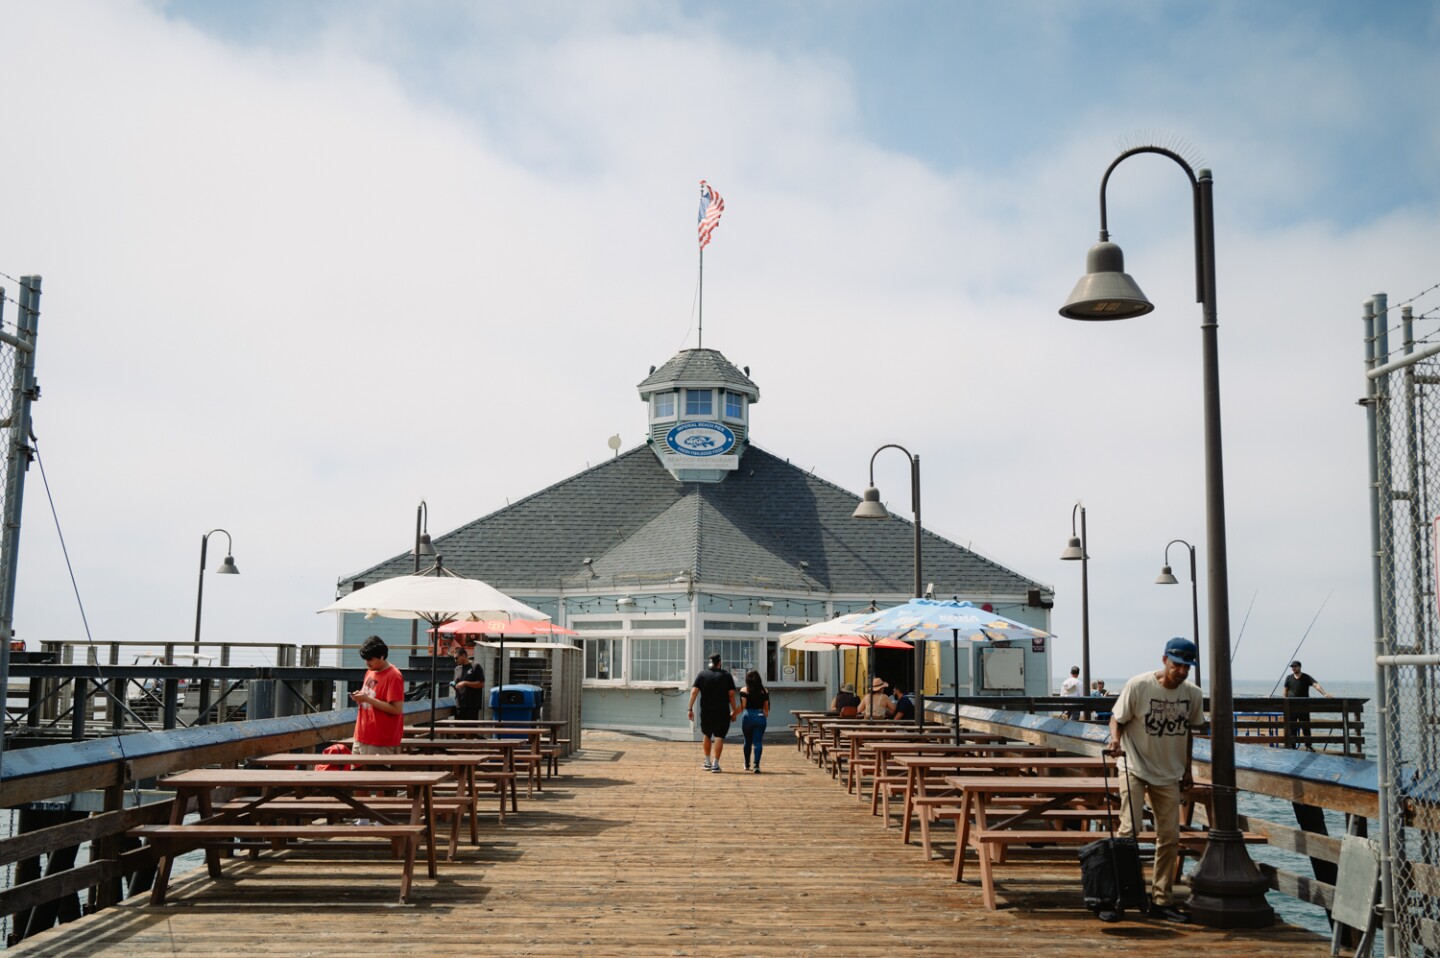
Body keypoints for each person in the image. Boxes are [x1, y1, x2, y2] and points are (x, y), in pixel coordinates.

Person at [1104, 637, 1204, 924]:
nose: (1182, 672)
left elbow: (1189, 733)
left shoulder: (1193, 695)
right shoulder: (1139, 685)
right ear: (1164, 660)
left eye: (1187, 667)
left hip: (1169, 772)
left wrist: (1187, 770)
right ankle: (1119, 896)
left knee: (1170, 836)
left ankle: (1162, 899)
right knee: (1129, 830)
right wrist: (1115, 741)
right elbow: (1117, 718)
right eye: (1177, 665)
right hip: (1133, 766)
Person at [351, 635, 405, 755]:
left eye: (370, 659)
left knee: (374, 773)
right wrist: (360, 697)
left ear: (381, 656)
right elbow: (368, 699)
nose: (367, 663)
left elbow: (397, 709)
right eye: (365, 659)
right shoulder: (369, 672)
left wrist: (367, 699)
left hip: (379, 739)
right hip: (361, 734)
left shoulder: (394, 676)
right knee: (355, 773)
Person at [688, 653, 739, 773]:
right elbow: (731, 695)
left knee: (706, 734)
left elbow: (694, 692)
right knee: (719, 736)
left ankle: (707, 762)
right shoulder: (726, 676)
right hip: (722, 711)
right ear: (720, 662)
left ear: (709, 662)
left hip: (706, 711)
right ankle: (715, 764)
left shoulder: (702, 674)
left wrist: (689, 709)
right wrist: (734, 711)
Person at [1283, 660, 1333, 750]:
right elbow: (1285, 691)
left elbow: (1316, 685)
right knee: (1292, 727)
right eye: (1292, 667)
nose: (1293, 668)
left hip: (1304, 707)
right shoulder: (1288, 678)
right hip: (1291, 707)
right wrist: (1285, 702)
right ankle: (1292, 745)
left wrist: (1324, 694)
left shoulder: (1306, 677)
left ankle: (1308, 745)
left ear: (1300, 667)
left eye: (1295, 666)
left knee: (1306, 727)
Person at [735, 669, 770, 774]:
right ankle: (756, 766)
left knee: (747, 741)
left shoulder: (744, 690)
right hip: (760, 716)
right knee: (758, 742)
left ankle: (746, 764)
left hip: (748, 716)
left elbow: (743, 706)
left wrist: (733, 714)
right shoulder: (765, 691)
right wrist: (765, 715)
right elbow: (766, 708)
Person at [451, 645, 486, 721]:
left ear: (463, 655)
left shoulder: (475, 666)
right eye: (454, 659)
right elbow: (457, 686)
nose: (455, 661)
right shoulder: (457, 669)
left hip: (472, 705)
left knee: (471, 730)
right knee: (459, 731)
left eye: (456, 658)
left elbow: (481, 684)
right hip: (459, 705)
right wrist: (454, 685)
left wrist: (465, 683)